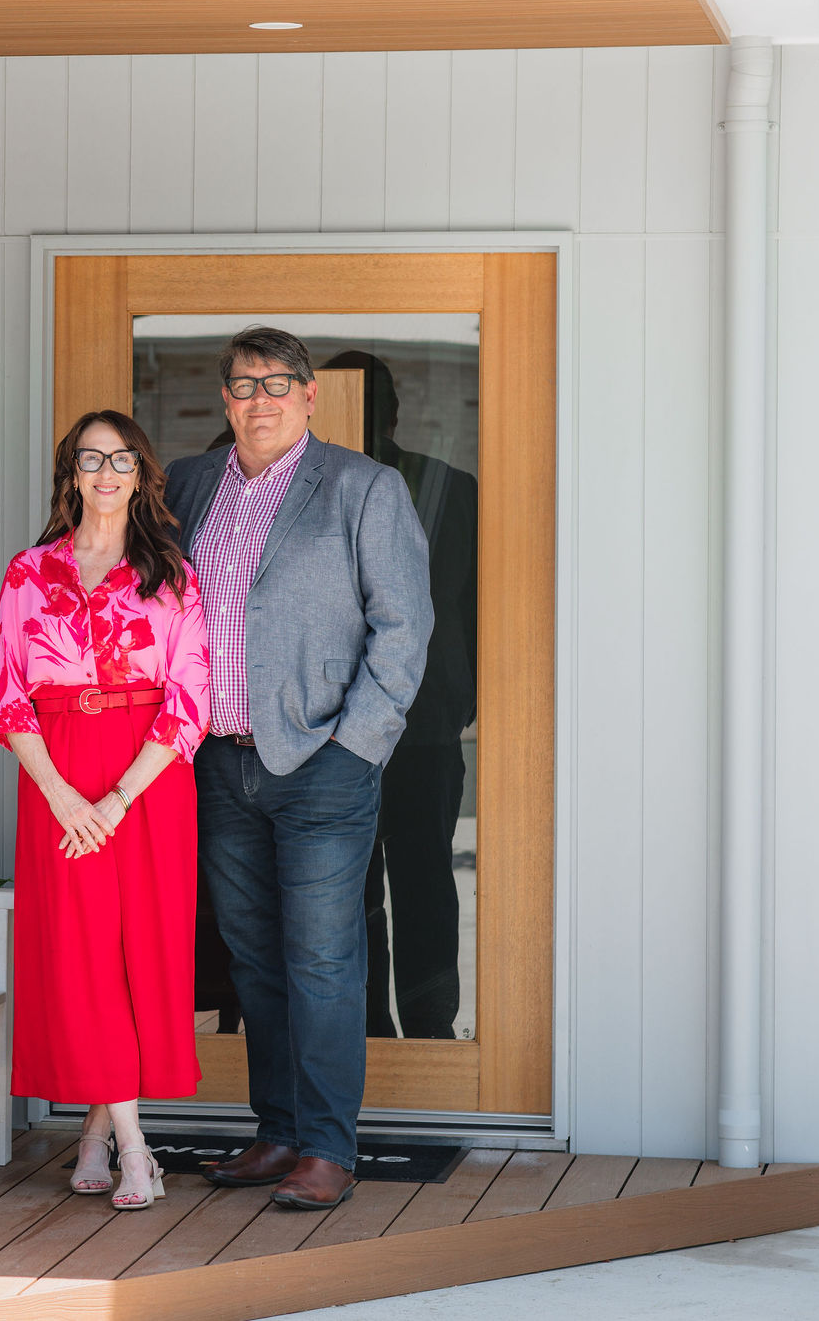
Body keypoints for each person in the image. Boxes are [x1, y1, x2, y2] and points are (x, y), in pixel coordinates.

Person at [164, 326, 432, 1210]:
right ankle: (276, 1131)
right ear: (226, 399)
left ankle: (326, 1146)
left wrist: (357, 746)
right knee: (254, 959)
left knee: (321, 959)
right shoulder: (189, 484)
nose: (262, 400)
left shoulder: (364, 487)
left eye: (279, 384)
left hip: (322, 761)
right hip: (218, 762)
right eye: (246, 385)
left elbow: (404, 626)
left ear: (310, 396)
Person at [0, 409, 209, 1212]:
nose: (107, 473)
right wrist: (62, 796)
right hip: (57, 777)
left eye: (122, 460)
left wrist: (116, 798)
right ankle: (136, 1150)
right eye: (92, 459)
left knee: (134, 955)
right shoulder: (29, 572)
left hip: (147, 782)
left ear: (141, 474)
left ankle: (94, 1134)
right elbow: (10, 697)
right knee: (82, 956)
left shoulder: (172, 574)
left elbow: (190, 703)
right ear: (72, 474)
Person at [320, 350, 479, 1042]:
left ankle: (385, 1035)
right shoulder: (451, 486)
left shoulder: (448, 489)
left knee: (366, 888)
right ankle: (422, 1034)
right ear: (394, 412)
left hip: (397, 722)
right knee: (420, 885)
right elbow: (477, 609)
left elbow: (475, 605)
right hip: (409, 718)